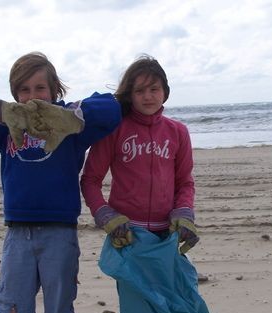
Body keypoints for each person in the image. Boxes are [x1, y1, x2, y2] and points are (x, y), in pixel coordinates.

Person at [0, 52, 121, 313]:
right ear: (15, 93)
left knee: (59, 305)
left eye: (40, 88)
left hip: (60, 232)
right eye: (23, 89)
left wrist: (71, 116)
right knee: (11, 305)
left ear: (54, 89)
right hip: (17, 233)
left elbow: (111, 108)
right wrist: (3, 111)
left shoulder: (70, 127)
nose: (32, 95)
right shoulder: (7, 130)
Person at [80, 55, 202, 310]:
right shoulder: (114, 130)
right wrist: (105, 216)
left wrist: (184, 212)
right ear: (129, 95)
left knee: (176, 303)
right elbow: (90, 180)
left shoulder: (178, 132)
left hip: (165, 237)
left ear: (165, 92)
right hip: (128, 238)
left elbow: (185, 182)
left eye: (154, 89)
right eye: (140, 90)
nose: (148, 96)